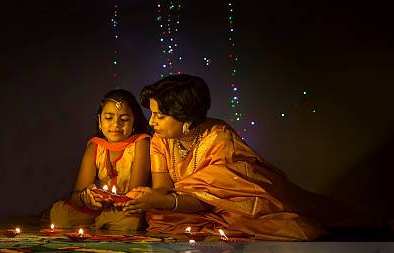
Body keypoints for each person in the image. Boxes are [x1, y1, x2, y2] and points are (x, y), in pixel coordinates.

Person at [121, 74, 327, 241]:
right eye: (153, 113)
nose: (152, 121)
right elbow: (162, 187)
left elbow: (215, 198)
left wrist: (165, 201)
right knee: (158, 217)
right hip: (191, 203)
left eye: (160, 116)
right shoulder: (161, 138)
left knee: (274, 224)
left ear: (186, 118)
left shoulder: (219, 139)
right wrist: (148, 197)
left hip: (237, 203)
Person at [50, 89, 151, 231]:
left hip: (129, 209)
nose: (116, 124)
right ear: (99, 120)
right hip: (102, 208)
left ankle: (102, 222)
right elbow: (76, 196)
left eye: (124, 119)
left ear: (134, 121)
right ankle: (102, 221)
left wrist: (113, 202)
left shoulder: (141, 143)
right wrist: (88, 198)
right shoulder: (95, 146)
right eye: (109, 118)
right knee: (61, 213)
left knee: (128, 221)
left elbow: (134, 196)